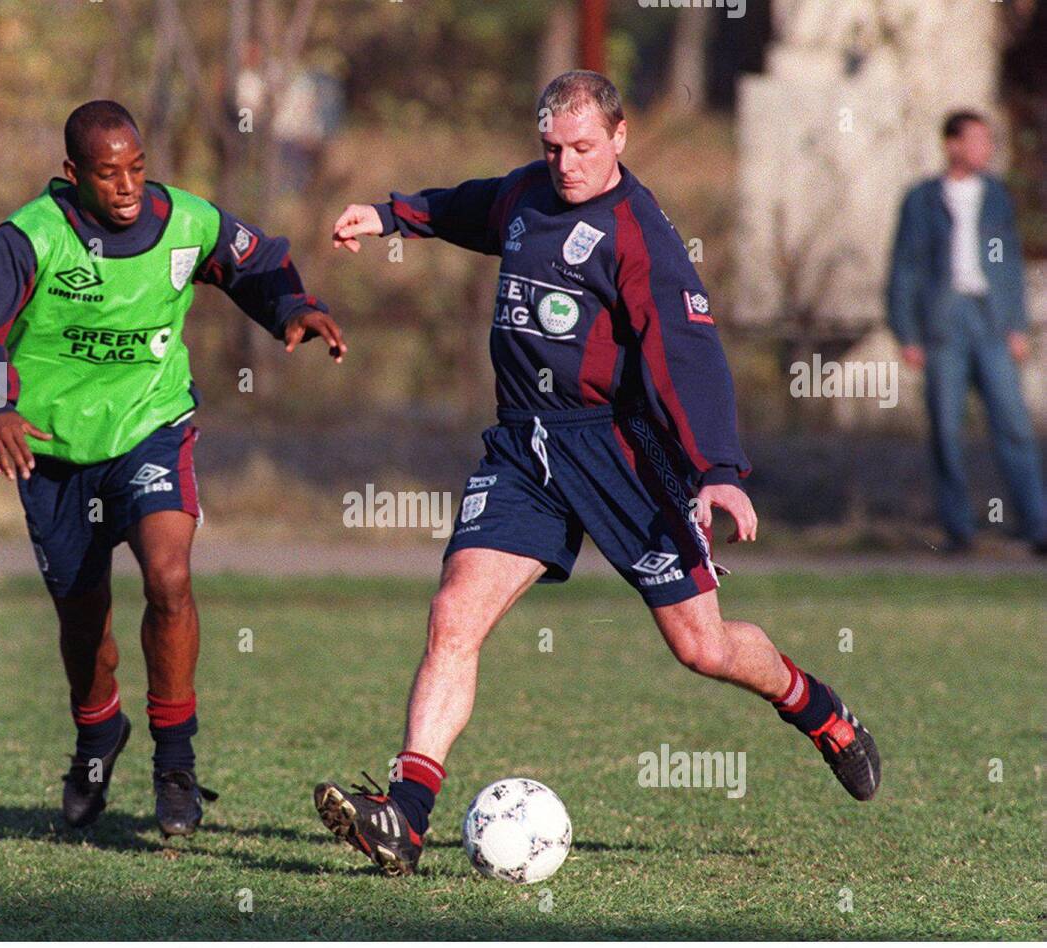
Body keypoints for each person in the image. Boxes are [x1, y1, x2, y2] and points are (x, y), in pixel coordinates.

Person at [314, 71, 880, 877]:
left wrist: (717, 469)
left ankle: (820, 710)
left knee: (702, 646)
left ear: (619, 137)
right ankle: (405, 816)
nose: (566, 164)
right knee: (453, 614)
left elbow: (689, 358)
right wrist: (390, 214)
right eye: (552, 148)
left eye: (583, 147)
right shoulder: (527, 194)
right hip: (525, 447)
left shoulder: (639, 236)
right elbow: (471, 206)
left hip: (621, 454)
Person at [0, 100, 345, 838]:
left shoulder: (187, 221)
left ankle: (176, 763)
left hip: (151, 426)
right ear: (73, 175)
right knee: (84, 618)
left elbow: (256, 261)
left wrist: (293, 307)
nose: (125, 185)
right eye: (105, 172)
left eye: (136, 167)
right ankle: (97, 735)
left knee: (169, 576)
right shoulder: (31, 237)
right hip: (52, 448)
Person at [887, 109, 1045, 555]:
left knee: (1013, 424)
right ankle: (959, 529)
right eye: (978, 140)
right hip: (943, 322)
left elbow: (1009, 263)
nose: (987, 149)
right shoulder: (921, 199)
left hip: (990, 318)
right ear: (952, 144)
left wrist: (1018, 325)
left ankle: (1037, 526)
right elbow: (905, 267)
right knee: (946, 429)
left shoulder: (996, 196)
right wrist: (906, 333)